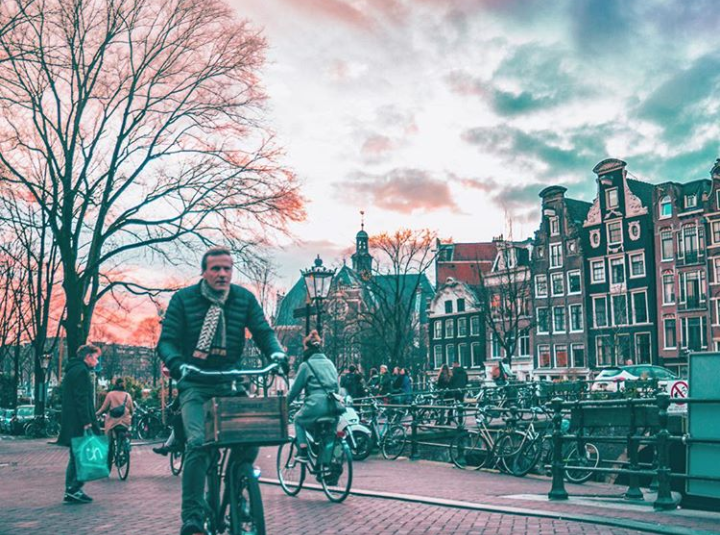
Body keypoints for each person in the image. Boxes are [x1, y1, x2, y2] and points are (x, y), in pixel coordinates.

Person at [157, 246, 286, 535]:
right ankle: (192, 516)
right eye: (216, 268)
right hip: (196, 382)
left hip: (231, 381)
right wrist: (178, 364)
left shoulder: (244, 299)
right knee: (198, 444)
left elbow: (263, 332)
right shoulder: (183, 300)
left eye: (227, 268)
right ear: (204, 272)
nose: (222, 274)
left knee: (251, 438)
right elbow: (166, 342)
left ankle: (238, 487)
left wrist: (276, 354)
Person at [57, 344, 102, 504]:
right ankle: (74, 488)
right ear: (87, 357)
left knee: (76, 455)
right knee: (81, 456)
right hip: (79, 422)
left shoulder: (72, 371)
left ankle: (72, 488)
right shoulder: (82, 372)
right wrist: (87, 422)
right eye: (95, 358)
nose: (96, 362)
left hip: (72, 421)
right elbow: (82, 399)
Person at [287, 330, 340, 462]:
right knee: (329, 435)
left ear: (307, 348)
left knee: (298, 419)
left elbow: (295, 390)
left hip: (315, 405)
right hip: (333, 405)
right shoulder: (330, 363)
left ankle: (303, 450)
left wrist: (285, 403)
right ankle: (326, 464)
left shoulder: (306, 365)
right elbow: (337, 387)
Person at [96, 378, 134, 468]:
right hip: (125, 422)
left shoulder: (110, 394)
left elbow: (104, 408)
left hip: (113, 422)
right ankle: (124, 449)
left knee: (109, 443)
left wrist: (96, 414)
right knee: (125, 435)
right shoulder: (128, 395)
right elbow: (132, 409)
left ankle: (108, 462)